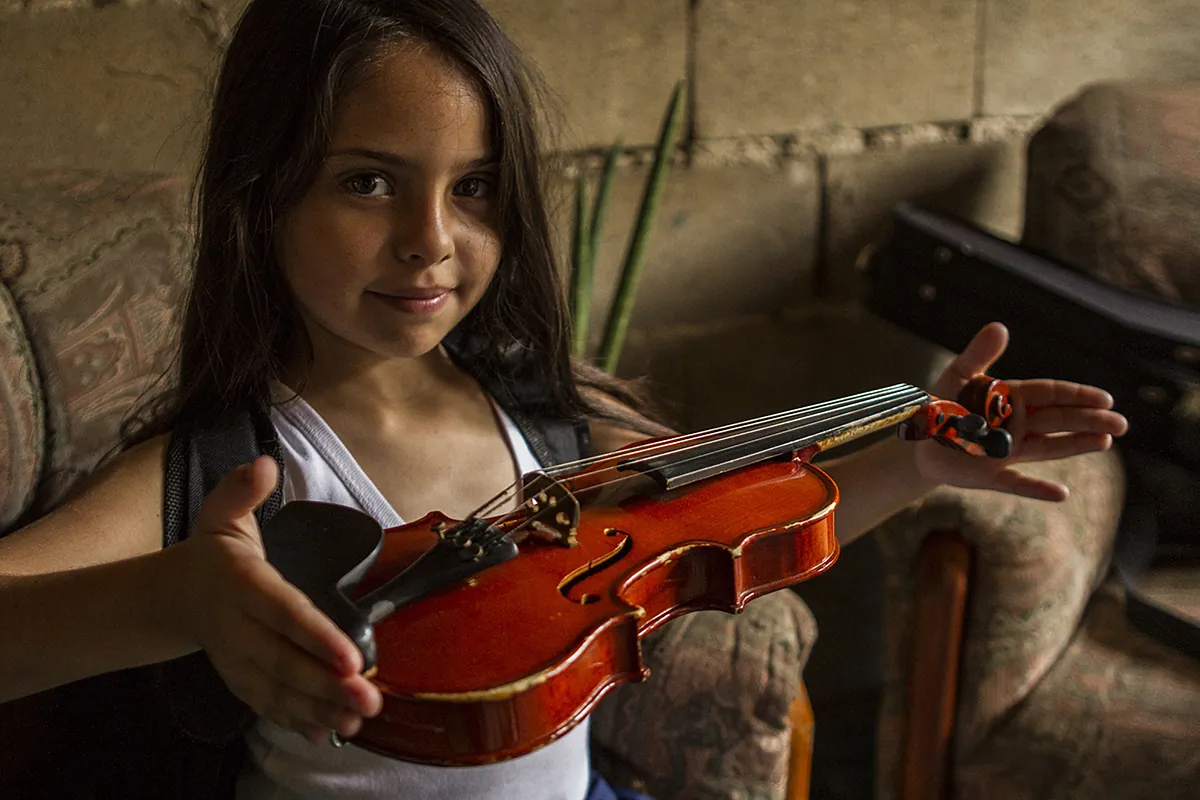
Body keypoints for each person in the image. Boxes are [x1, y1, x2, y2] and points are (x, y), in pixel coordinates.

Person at [0, 1, 1128, 798]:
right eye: (367, 180)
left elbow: (738, 527)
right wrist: (182, 599)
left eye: (474, 188)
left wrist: (920, 447)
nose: (430, 241)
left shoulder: (545, 416)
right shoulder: (231, 468)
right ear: (263, 196)